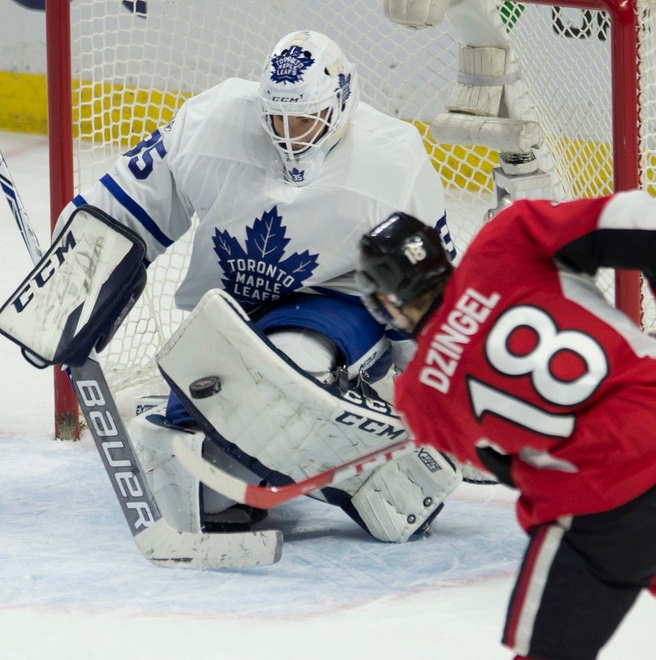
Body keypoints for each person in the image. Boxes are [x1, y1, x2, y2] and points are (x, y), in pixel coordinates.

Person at [55, 30, 462, 540]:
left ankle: (361, 446)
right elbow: (120, 206)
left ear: (340, 104)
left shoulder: (394, 161)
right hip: (233, 320)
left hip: (338, 309)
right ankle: (349, 466)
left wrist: (438, 416)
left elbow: (428, 304)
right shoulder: (212, 122)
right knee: (201, 487)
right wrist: (69, 274)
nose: (289, 133)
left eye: (305, 118)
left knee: (288, 371)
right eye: (277, 118)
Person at [355, 190, 656, 659]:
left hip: (617, 503)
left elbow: (507, 468)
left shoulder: (422, 399)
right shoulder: (508, 239)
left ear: (389, 303)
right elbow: (634, 215)